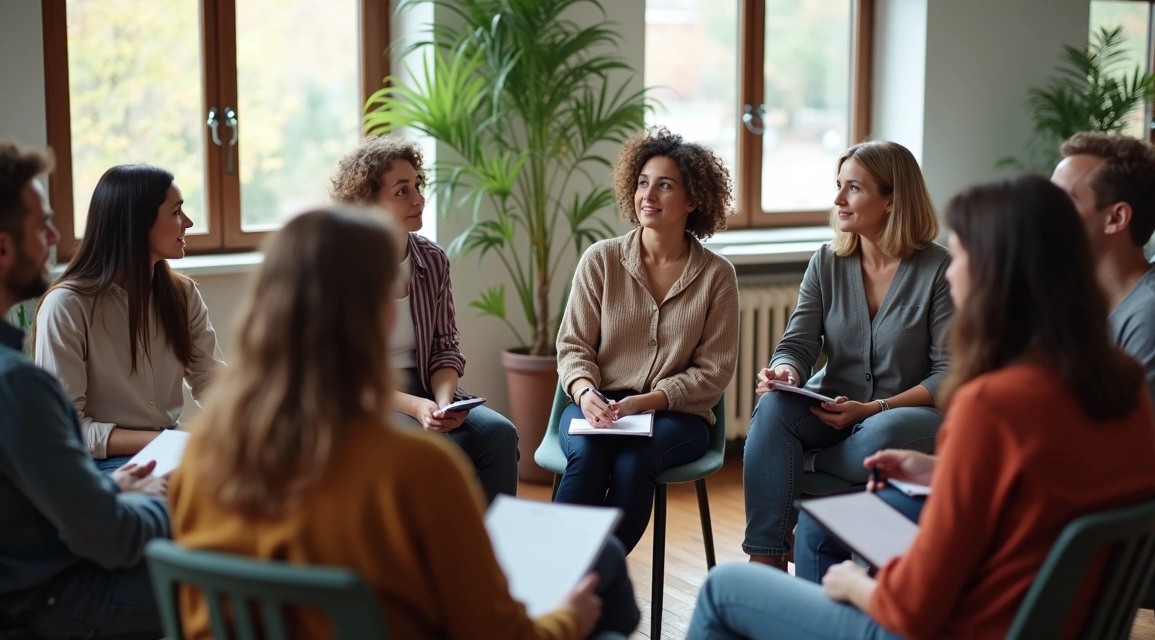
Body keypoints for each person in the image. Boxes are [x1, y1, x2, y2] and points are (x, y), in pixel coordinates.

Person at [687, 174, 1155, 640]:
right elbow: (1041, 486)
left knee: (724, 587)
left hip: (961, 625)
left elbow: (913, 608)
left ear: (1001, 271)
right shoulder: (1123, 384)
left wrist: (854, 583)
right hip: (1052, 620)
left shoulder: (992, 404)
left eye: (965, 255)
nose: (952, 270)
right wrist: (942, 471)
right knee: (818, 521)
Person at [169, 207, 640, 639]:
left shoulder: (201, 454)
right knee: (607, 585)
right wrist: (566, 620)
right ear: (378, 317)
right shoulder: (416, 470)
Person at [794, 132, 1155, 587]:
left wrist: (862, 588)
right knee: (821, 524)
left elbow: (1111, 467)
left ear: (1116, 218)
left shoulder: (1145, 317)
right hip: (1035, 520)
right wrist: (947, 472)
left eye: (1062, 198)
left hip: (1047, 537)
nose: (1043, 211)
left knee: (751, 576)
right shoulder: (1076, 320)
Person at [0, 138, 170, 639]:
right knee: (257, 569)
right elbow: (114, 541)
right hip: (60, 603)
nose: (56, 236)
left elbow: (9, 501)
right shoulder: (11, 385)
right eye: (42, 225)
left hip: (9, 589)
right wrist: (169, 501)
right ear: (1, 249)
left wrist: (110, 490)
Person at [742, 140, 951, 568]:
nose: (838, 199)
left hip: (906, 414)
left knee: (879, 436)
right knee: (771, 409)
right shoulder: (826, 261)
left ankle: (804, 460)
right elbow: (798, 344)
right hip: (833, 406)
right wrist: (784, 372)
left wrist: (872, 408)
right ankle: (767, 556)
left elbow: (948, 374)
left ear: (891, 199)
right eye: (838, 186)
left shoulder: (939, 270)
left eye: (853, 188)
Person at [554, 127, 739, 553]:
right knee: (589, 458)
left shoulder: (717, 276)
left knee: (635, 463)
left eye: (665, 185)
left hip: (678, 418)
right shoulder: (600, 260)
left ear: (693, 201)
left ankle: (592, 580)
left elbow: (713, 372)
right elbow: (573, 347)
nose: (648, 195)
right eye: (642, 183)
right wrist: (584, 394)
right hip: (597, 406)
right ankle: (556, 575)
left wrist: (646, 402)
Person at [329, 135, 519, 501]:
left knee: (500, 435)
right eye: (402, 191)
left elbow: (445, 347)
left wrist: (444, 403)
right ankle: (432, 553)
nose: (418, 198)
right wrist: (418, 409)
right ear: (367, 203)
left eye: (417, 185)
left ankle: (492, 553)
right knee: (426, 449)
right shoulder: (341, 267)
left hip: (427, 389)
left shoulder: (432, 260)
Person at [34, 164, 224, 473]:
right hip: (99, 464)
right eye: (176, 212)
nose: (187, 223)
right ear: (138, 223)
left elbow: (209, 379)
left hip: (168, 449)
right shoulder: (67, 306)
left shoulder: (183, 294)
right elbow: (64, 428)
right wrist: (169, 441)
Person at [1051, 132, 1155, 429]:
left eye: (1063, 201)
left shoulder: (1151, 314)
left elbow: (1132, 450)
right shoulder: (1077, 304)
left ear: (1116, 218)